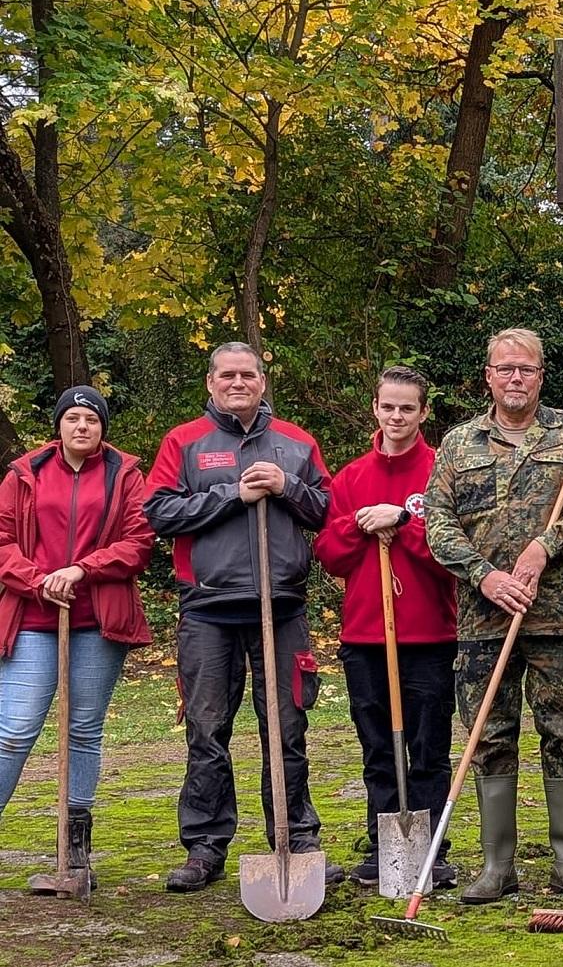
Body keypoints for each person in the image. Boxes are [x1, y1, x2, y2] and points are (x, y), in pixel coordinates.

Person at [424, 327, 563, 905]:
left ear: (540, 375)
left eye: (526, 369)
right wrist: (486, 574)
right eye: (505, 368)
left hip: (555, 618)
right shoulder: (460, 445)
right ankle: (496, 866)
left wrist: (547, 544)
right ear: (488, 376)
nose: (515, 378)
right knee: (489, 734)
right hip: (485, 619)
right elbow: (437, 523)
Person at [144, 342, 338, 892]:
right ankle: (205, 846)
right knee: (208, 729)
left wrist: (285, 487)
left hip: (281, 605)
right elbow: (160, 511)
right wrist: (233, 493)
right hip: (209, 607)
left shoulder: (296, 443)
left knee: (287, 725)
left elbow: (327, 509)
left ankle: (296, 838)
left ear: (261, 380)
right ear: (211, 383)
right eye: (227, 375)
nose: (237, 382)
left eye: (247, 374)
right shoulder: (184, 442)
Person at [0, 386, 154, 886]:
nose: (82, 426)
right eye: (72, 418)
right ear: (58, 426)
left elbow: (138, 541)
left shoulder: (126, 475)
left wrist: (81, 570)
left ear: (102, 427)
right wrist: (38, 578)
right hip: (32, 619)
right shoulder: (24, 475)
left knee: (83, 728)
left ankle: (75, 847)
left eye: (91, 418)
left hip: (97, 620)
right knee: (14, 730)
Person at [313, 365, 459, 889]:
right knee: (378, 746)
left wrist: (404, 521)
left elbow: (452, 556)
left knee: (428, 746)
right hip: (365, 636)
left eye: (407, 408)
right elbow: (328, 554)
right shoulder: (351, 477)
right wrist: (358, 525)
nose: (396, 416)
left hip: (428, 636)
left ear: (423, 412)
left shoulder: (442, 470)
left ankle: (431, 850)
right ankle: (385, 846)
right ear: (375, 408)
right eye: (388, 406)